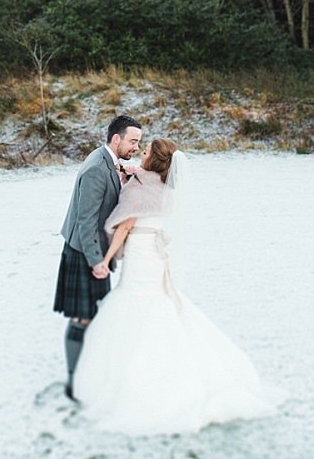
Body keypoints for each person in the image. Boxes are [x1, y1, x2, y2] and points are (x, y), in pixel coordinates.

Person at [72, 138, 273, 434]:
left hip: (141, 251)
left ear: (154, 160)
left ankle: (137, 380)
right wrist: (131, 174)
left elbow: (125, 226)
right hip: (156, 254)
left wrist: (105, 258)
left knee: (134, 302)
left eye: (147, 151)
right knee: (158, 301)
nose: (142, 152)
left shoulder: (139, 188)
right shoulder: (166, 189)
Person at [54, 115, 142, 400]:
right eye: (133, 141)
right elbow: (85, 221)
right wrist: (96, 261)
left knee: (94, 316)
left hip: (90, 250)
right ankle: (73, 383)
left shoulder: (107, 160)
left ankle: (87, 375)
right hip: (83, 252)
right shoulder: (96, 169)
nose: (136, 148)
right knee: (82, 318)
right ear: (116, 139)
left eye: (139, 143)